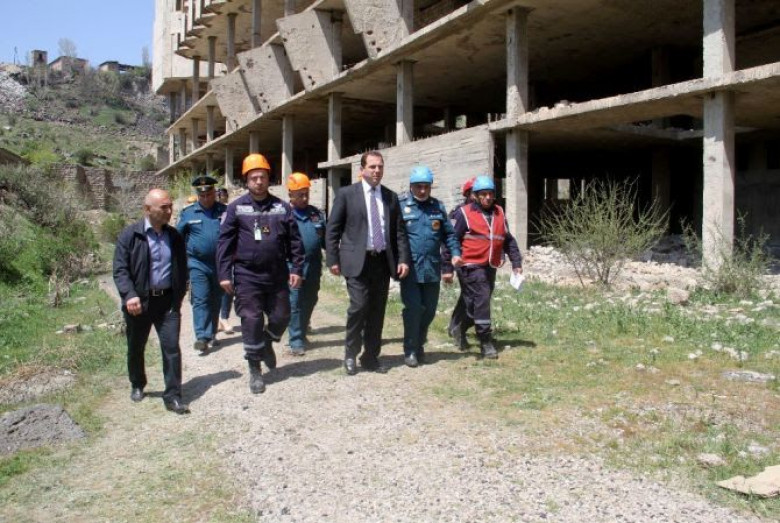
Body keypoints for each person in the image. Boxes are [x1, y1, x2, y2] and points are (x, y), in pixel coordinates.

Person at [217, 154, 304, 394]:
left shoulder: (282, 207)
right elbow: (224, 243)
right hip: (247, 275)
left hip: (277, 273)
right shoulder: (236, 208)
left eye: (262, 177)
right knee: (252, 319)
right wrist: (224, 273)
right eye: (254, 177)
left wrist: (297, 268)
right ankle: (255, 368)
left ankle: (267, 341)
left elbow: (295, 241)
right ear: (246, 180)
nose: (258, 181)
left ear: (268, 179)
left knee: (282, 315)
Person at [326, 150, 411, 375]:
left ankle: (370, 356)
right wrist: (332, 258)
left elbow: (399, 232)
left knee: (377, 311)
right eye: (372, 167)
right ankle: (350, 353)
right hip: (356, 261)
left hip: (382, 262)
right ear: (362, 169)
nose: (377, 171)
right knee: (359, 306)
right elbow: (333, 229)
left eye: (380, 166)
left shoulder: (391, 197)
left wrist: (403, 259)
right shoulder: (347, 194)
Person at [113, 189, 190, 414]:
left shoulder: (174, 236)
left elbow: (182, 267)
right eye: (164, 207)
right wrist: (129, 295)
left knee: (171, 348)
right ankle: (137, 383)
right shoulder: (130, 235)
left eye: (170, 206)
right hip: (138, 304)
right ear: (148, 209)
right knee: (136, 346)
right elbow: (120, 269)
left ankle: (173, 395)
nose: (169, 211)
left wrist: (179, 296)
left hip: (167, 303)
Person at [449, 175, 523, 359]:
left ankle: (459, 327)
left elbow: (507, 240)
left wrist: (516, 263)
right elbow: (451, 240)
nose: (488, 197)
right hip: (469, 265)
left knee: (475, 302)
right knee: (481, 299)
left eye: (490, 193)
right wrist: (447, 265)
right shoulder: (463, 213)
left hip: (490, 265)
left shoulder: (499, 213)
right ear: (475, 195)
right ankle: (485, 341)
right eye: (483, 194)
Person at [399, 166, 462, 367]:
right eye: (418, 186)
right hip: (410, 268)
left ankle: (419, 343)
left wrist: (455, 253)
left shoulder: (437, 207)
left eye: (426, 186)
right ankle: (411, 349)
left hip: (431, 267)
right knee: (414, 309)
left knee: (430, 310)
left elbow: (449, 235)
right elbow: (395, 237)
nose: (423, 190)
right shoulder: (401, 206)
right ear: (411, 186)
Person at [176, 175, 227, 353]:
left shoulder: (225, 211)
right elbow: (178, 238)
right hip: (197, 263)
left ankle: (211, 333)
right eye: (202, 195)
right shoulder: (188, 213)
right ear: (198, 195)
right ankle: (202, 337)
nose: (206, 198)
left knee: (216, 298)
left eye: (209, 194)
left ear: (215, 193)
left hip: (220, 264)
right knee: (201, 298)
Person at [286, 172, 325, 356]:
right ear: (290, 194)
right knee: (295, 302)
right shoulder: (284, 215)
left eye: (306, 194)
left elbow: (326, 239)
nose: (304, 198)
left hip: (314, 265)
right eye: (300, 194)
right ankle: (295, 340)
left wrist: (335, 258)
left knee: (310, 299)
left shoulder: (316, 214)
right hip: (292, 266)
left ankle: (301, 332)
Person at [443, 177, 475, 350]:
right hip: (464, 262)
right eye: (476, 193)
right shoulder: (459, 213)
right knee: (472, 297)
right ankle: (458, 329)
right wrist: (447, 267)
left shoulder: (488, 212)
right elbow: (449, 239)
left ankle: (455, 325)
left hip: (483, 264)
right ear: (468, 194)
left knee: (470, 297)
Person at [215, 187, 235, 334]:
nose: (221, 197)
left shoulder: (230, 210)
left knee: (228, 287)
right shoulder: (209, 212)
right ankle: (215, 320)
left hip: (228, 255)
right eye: (219, 195)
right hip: (211, 256)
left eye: (223, 195)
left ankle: (224, 317)